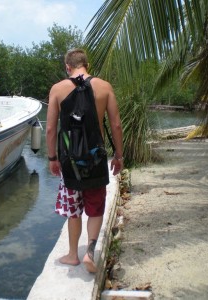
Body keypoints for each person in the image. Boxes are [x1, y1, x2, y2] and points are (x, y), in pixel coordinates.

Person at [46, 48, 123, 273]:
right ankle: (90, 250)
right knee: (95, 207)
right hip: (96, 157)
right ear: (86, 65)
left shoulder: (57, 89)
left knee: (73, 209)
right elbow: (116, 125)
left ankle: (73, 255)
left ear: (67, 67)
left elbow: (50, 129)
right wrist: (119, 156)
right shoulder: (104, 87)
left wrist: (52, 158)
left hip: (69, 160)